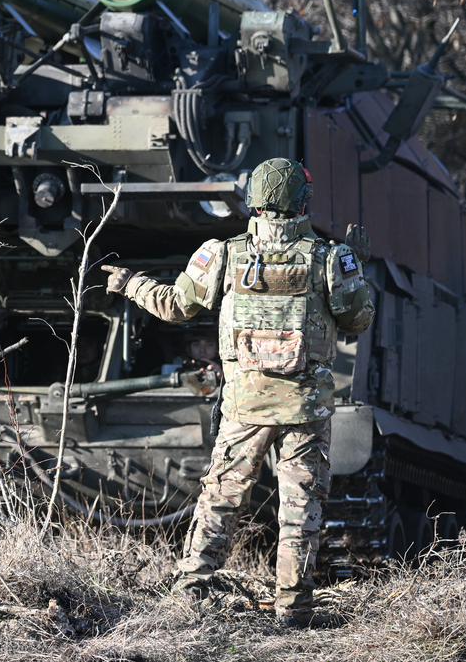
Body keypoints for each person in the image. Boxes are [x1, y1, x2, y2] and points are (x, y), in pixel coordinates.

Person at [102, 158, 374, 629]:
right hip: (304, 407)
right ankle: (293, 607)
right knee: (300, 508)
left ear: (253, 201)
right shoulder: (331, 258)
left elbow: (176, 305)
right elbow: (358, 321)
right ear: (302, 203)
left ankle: (191, 591)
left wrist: (130, 284)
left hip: (245, 405)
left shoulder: (223, 254)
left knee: (221, 497)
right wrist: (358, 266)